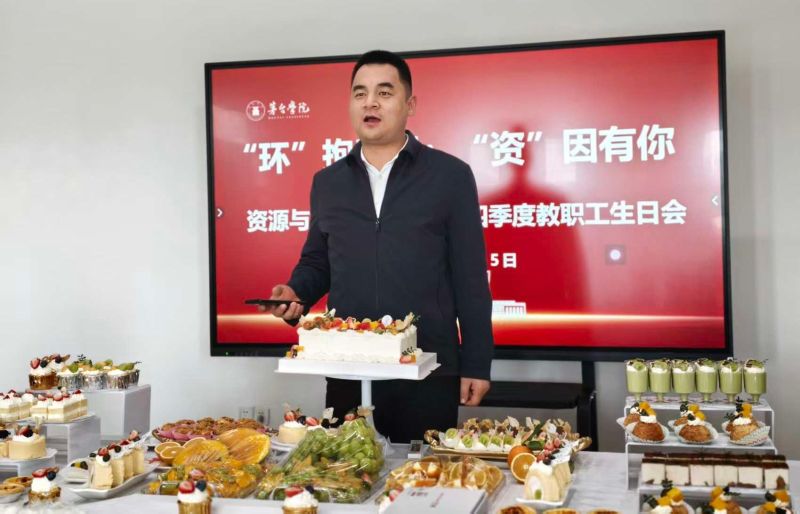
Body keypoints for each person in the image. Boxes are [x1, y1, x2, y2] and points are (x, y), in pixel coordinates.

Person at [268, 50, 493, 442]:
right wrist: (295, 292)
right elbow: (318, 262)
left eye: (384, 93)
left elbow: (470, 278)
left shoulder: (450, 176)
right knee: (346, 472)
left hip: (428, 368)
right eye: (360, 93)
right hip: (348, 368)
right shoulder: (328, 182)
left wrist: (476, 362)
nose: (370, 102)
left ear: (410, 105)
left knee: (422, 476)